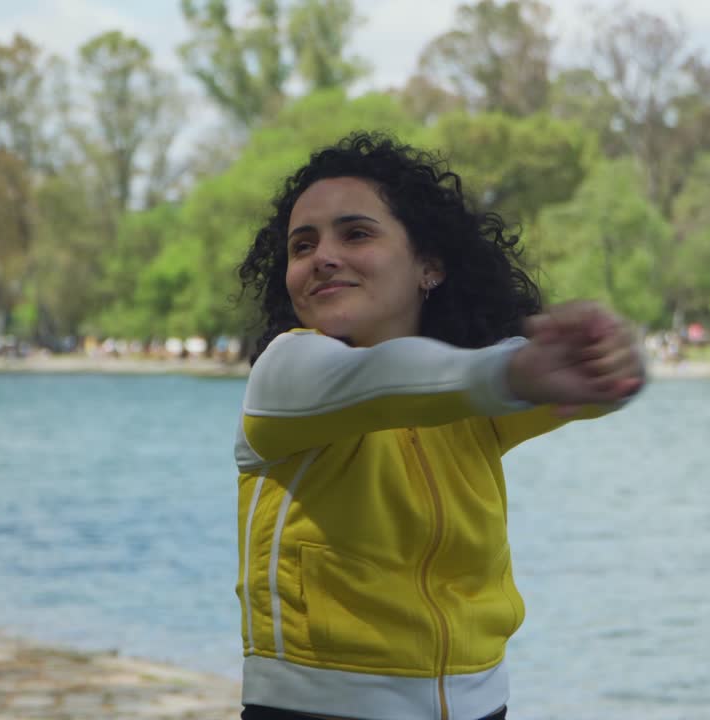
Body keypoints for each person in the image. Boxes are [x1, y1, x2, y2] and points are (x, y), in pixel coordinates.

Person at [233, 132, 645, 720]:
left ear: (429, 265)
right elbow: (393, 378)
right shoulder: (285, 374)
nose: (322, 256)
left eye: (356, 233)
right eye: (302, 246)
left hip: (482, 705)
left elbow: (590, 390)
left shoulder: (469, 386)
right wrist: (518, 367)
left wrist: (614, 360)